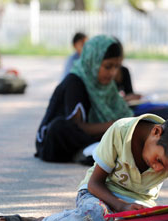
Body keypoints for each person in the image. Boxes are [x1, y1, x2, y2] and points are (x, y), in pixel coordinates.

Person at [0, 113, 168, 221]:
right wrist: (121, 205)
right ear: (156, 132)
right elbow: (94, 184)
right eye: (159, 161)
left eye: (166, 170)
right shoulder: (120, 131)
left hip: (137, 208)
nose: (158, 169)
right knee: (98, 216)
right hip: (99, 195)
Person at [35, 35, 133, 163]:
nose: (113, 73)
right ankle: (94, 151)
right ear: (92, 61)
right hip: (55, 143)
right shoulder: (74, 82)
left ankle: (93, 151)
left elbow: (121, 112)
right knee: (59, 127)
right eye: (108, 67)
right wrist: (113, 125)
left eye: (116, 67)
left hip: (90, 137)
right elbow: (77, 126)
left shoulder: (107, 86)